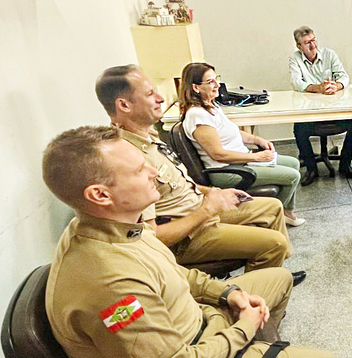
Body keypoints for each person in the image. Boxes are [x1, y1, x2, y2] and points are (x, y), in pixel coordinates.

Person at [42, 126, 342, 358]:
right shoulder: (109, 281)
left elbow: (173, 274)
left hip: (198, 328)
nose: (152, 171)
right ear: (99, 194)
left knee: (278, 279)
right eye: (138, 170)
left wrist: (228, 292)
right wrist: (243, 330)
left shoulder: (118, 226)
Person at [96, 66, 305, 281]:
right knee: (274, 243)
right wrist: (206, 210)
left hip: (198, 208)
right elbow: (153, 237)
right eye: (150, 94)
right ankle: (247, 301)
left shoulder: (149, 137)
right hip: (188, 234)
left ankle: (275, 277)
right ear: (124, 105)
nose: (160, 98)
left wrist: (213, 192)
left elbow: (180, 183)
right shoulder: (128, 158)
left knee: (273, 207)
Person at [180, 62, 306, 227]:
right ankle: (270, 217)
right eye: (210, 82)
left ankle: (286, 212)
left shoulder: (211, 106)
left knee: (294, 163)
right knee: (293, 176)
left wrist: (257, 140)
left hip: (240, 161)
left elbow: (231, 132)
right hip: (226, 170)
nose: (217, 85)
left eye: (216, 79)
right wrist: (255, 157)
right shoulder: (197, 115)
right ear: (196, 88)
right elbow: (218, 154)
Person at [288, 26, 352, 184]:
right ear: (299, 46)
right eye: (307, 43)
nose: (313, 45)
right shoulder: (295, 58)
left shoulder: (329, 54)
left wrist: (337, 86)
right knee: (299, 129)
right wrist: (318, 88)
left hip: (334, 110)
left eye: (314, 40)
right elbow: (296, 82)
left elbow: (343, 76)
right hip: (310, 112)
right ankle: (311, 168)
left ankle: (345, 164)